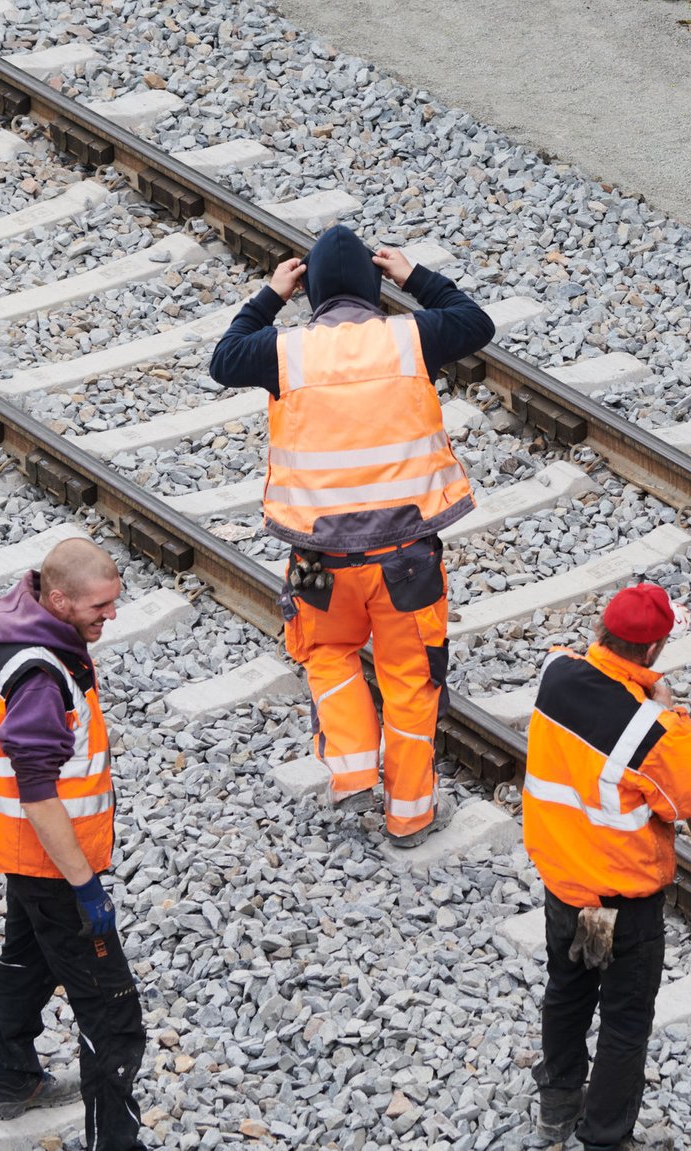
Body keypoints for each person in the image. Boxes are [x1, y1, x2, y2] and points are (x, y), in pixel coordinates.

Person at [209, 224, 493, 845]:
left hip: (318, 560)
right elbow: (475, 322)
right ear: (373, 286)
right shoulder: (409, 337)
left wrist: (268, 296)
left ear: (310, 293)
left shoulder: (286, 352)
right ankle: (410, 815)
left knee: (327, 654)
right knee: (409, 681)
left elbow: (223, 359)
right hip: (408, 560)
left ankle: (355, 768)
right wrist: (413, 276)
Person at [0, 539, 146, 1151]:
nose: (111, 615)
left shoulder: (18, 628)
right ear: (58, 599)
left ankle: (11, 1080)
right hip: (48, 856)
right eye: (100, 606)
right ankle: (116, 1144)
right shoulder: (43, 678)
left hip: (24, 854)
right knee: (110, 1006)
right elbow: (39, 793)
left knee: (28, 960)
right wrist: (84, 884)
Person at [523, 584, 691, 1151]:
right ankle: (605, 1138)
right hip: (624, 905)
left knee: (567, 990)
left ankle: (557, 1105)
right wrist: (672, 717)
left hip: (563, 883)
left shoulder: (555, 672)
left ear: (602, 633)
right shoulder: (650, 731)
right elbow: (688, 799)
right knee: (626, 1021)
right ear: (652, 653)